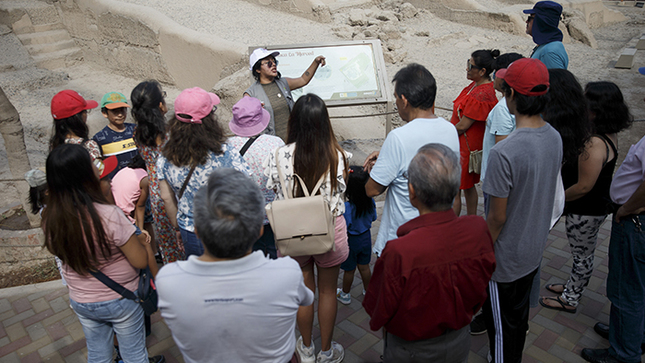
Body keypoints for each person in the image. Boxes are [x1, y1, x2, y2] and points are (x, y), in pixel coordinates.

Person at [156, 168, 313, 363]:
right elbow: (307, 299)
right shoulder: (287, 273)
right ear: (259, 231)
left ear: (196, 230)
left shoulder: (168, 281)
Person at [363, 143, 495, 363]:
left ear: (412, 192)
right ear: (455, 190)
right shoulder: (478, 230)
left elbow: (378, 312)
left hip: (411, 350)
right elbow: (483, 283)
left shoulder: (399, 251)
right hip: (459, 341)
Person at [41, 144, 163, 363]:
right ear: (86, 178)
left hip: (82, 299)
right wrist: (142, 240)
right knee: (134, 354)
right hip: (120, 299)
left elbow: (56, 250)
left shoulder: (50, 217)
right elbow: (139, 259)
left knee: (98, 353)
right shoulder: (108, 215)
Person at [482, 58, 562, 362]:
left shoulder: (505, 152)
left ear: (511, 95)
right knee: (516, 321)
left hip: (504, 260)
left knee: (501, 331)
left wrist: (480, 252)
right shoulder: (553, 136)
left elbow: (497, 217)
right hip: (532, 251)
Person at [264, 94, 350, 363]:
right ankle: (326, 351)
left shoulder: (278, 155)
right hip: (329, 231)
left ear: (294, 121)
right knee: (327, 291)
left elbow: (272, 189)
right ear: (325, 122)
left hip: (293, 233)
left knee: (304, 292)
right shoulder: (340, 156)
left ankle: (306, 348)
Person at [540, 81, 633, 314]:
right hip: (591, 207)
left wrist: (557, 200)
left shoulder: (595, 143)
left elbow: (583, 186)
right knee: (582, 253)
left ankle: (570, 298)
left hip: (586, 210)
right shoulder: (606, 133)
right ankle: (572, 286)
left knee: (582, 254)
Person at [363, 63, 459, 257]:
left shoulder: (398, 137)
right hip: (439, 235)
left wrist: (379, 167)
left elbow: (372, 189)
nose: (396, 103)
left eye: (396, 97)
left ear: (404, 100)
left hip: (403, 240)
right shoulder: (450, 129)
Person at [157, 87, 250, 258]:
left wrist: (177, 227)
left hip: (190, 231)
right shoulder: (225, 152)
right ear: (208, 119)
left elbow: (166, 198)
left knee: (204, 282)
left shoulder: (165, 157)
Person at [581, 134, 645, 363]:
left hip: (635, 222)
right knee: (635, 285)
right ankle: (630, 334)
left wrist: (627, 208)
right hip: (636, 220)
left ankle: (624, 353)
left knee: (626, 289)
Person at [131, 80, 184, 263]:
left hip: (155, 191)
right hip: (176, 186)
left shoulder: (137, 133)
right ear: (160, 105)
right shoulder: (173, 131)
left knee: (169, 245)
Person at [227, 96, 285, 259]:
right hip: (274, 210)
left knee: (253, 254)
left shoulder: (228, 146)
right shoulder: (276, 143)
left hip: (245, 213)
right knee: (276, 251)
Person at [450, 49, 499, 216]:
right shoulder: (477, 86)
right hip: (464, 144)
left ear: (483, 71)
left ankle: (453, 226)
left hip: (465, 146)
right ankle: (470, 220)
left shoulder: (482, 93)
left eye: (470, 65)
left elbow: (463, 125)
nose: (467, 69)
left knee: (457, 187)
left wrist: (443, 132)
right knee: (467, 186)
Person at [244, 48, 326, 141]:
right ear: (258, 69)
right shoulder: (250, 94)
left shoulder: (283, 83)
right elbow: (246, 124)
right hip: (272, 146)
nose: (274, 64)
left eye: (274, 61)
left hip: (294, 141)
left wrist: (316, 62)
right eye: (269, 63)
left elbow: (303, 80)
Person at [480, 52, 523, 185]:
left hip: (496, 178)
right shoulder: (519, 102)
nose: (494, 77)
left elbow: (502, 148)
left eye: (497, 73)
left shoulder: (502, 108)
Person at [336, 165, 377, 305]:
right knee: (365, 267)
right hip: (366, 238)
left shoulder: (346, 208)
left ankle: (345, 294)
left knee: (349, 270)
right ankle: (368, 291)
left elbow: (344, 226)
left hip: (351, 242)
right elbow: (374, 218)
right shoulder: (370, 202)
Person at [49, 89, 103, 172]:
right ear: (78, 117)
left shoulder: (55, 147)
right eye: (85, 111)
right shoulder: (89, 146)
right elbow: (100, 174)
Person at [524, 1, 569, 69]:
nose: (527, 21)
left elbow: (556, 79)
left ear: (541, 21)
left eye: (530, 18)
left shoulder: (549, 52)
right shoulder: (547, 46)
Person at [111, 155, 150, 232]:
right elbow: (140, 206)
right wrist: (141, 229)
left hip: (111, 210)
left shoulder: (125, 170)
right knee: (144, 240)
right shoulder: (144, 179)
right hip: (122, 215)